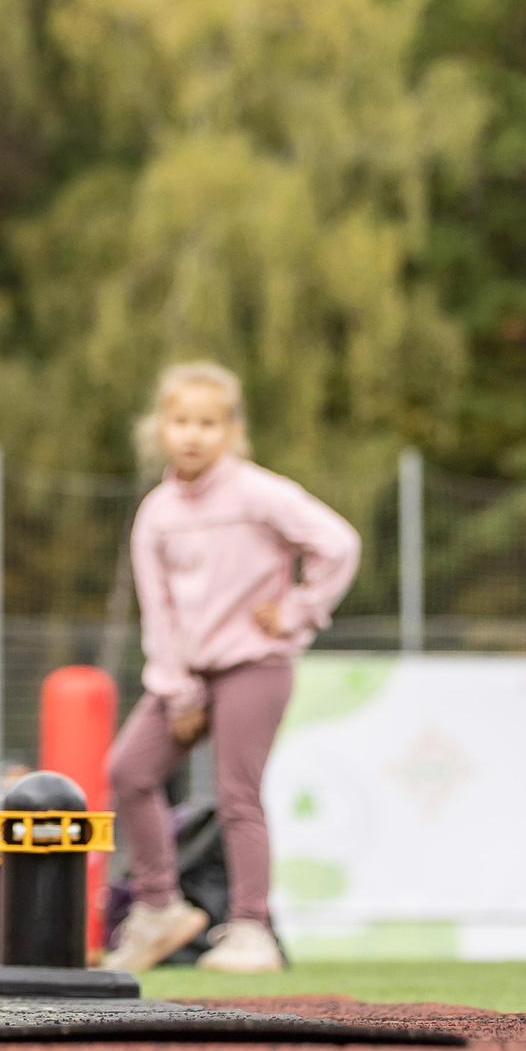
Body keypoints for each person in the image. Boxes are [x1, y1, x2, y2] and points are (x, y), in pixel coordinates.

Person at [102, 362, 358, 975]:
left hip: (253, 665)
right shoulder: (156, 513)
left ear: (232, 430)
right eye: (182, 421)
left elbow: (339, 544)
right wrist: (177, 689)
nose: (194, 435)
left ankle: (251, 930)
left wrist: (299, 609)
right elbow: (157, 612)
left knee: (237, 795)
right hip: (188, 674)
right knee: (129, 771)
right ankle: (160, 907)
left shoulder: (260, 493)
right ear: (160, 427)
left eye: (209, 423)